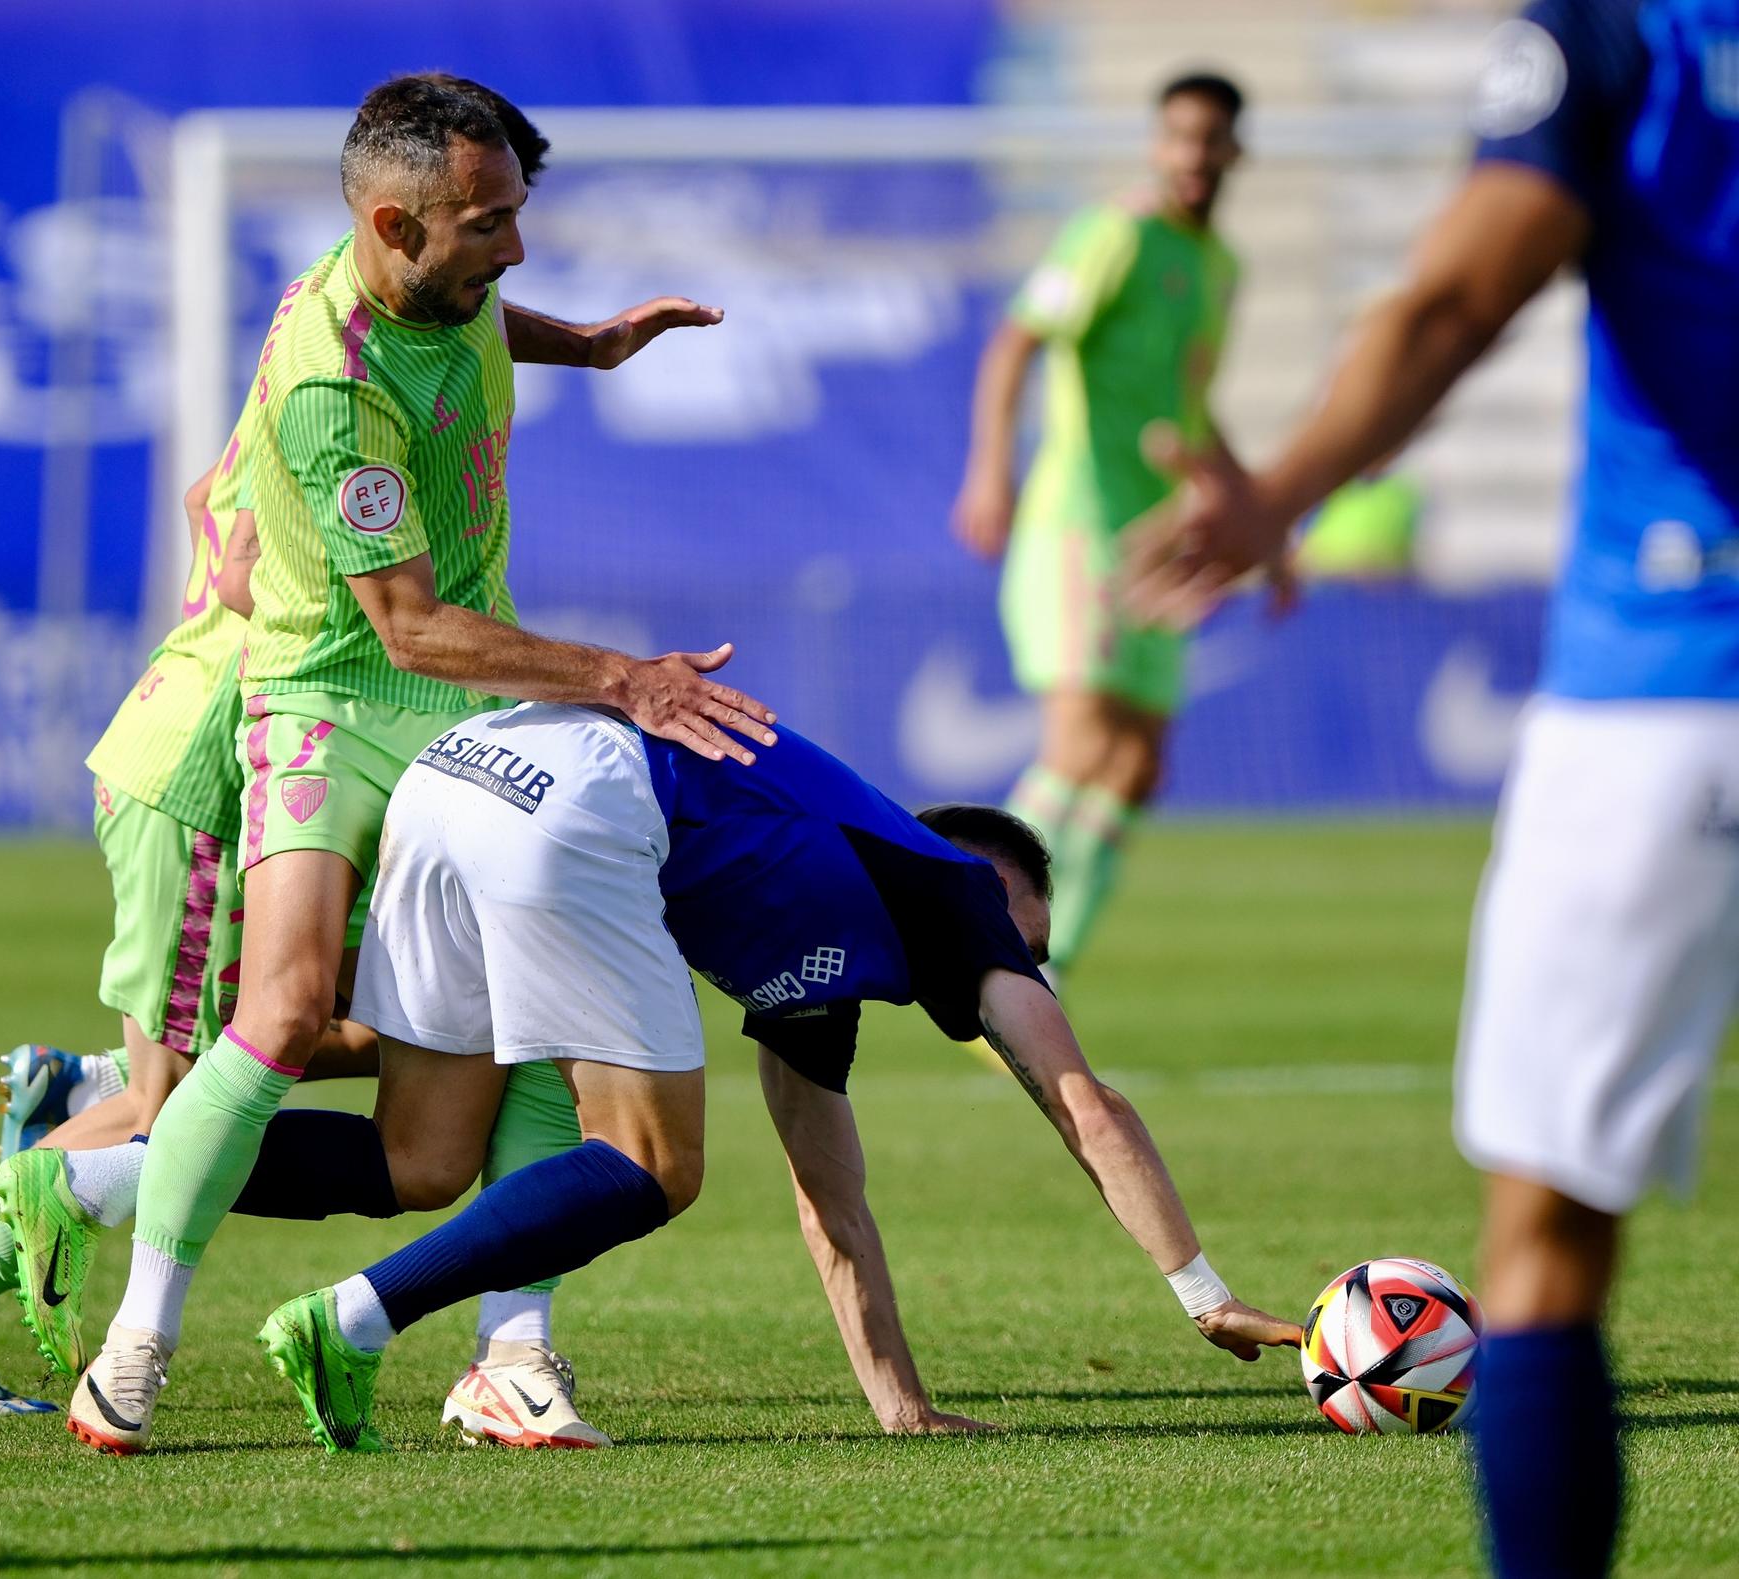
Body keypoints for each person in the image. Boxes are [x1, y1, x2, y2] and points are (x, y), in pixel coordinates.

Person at [67, 73, 775, 1454]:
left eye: (518, 213)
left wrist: (586, 343)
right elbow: (408, 625)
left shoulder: (436, 289)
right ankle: (140, 1331)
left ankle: (514, 1357)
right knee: (278, 1013)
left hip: (460, 708)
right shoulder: (330, 384)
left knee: (537, 1029)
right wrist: (624, 678)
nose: (515, 244)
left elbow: (481, 326)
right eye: (487, 223)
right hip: (336, 694)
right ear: (396, 224)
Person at [1122, 5, 1739, 1573]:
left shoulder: (1623, 36)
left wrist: (1282, 493)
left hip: (1673, 676)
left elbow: (1459, 299)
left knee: (1544, 1240)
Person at [241, 703, 1300, 1455]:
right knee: (651, 1161)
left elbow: (827, 1201)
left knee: (419, 1148)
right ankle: (351, 1320)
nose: (1021, 969)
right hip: (585, 792)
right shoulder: (944, 887)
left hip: (464, 772)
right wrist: (1203, 1295)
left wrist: (899, 1404)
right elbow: (1083, 1102)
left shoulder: (817, 937)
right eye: (1025, 943)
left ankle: (107, 1151)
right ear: (991, 891)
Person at [950, 71, 1245, 977]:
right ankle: (970, 940)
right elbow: (1018, 340)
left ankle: (1048, 964)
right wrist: (990, 470)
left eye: (1211, 139)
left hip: (1157, 543)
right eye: (1180, 136)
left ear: (1235, 150)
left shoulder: (1219, 267)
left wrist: (1254, 515)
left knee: (1138, 765)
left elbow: (1192, 406)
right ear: (1160, 144)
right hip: (1078, 521)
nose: (1194, 155)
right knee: (1079, 745)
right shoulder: (1114, 232)